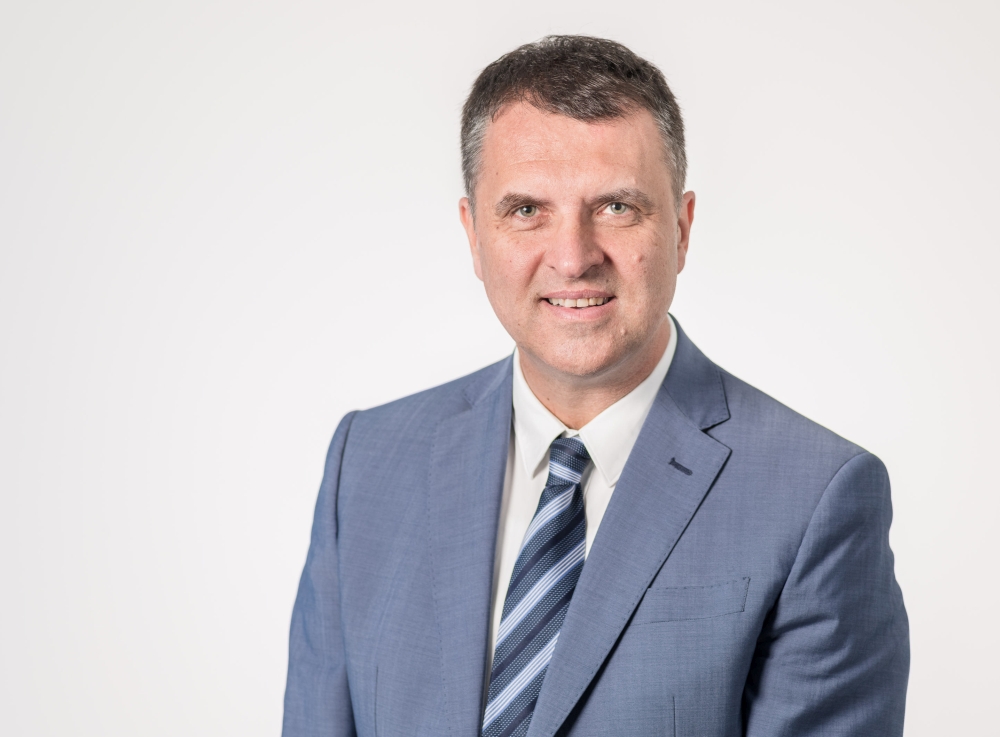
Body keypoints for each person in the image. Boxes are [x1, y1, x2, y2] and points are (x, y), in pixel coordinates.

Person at [282, 35, 909, 737]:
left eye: (615, 207)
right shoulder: (366, 463)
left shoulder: (817, 496)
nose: (574, 257)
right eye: (527, 210)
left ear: (682, 229)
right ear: (474, 235)